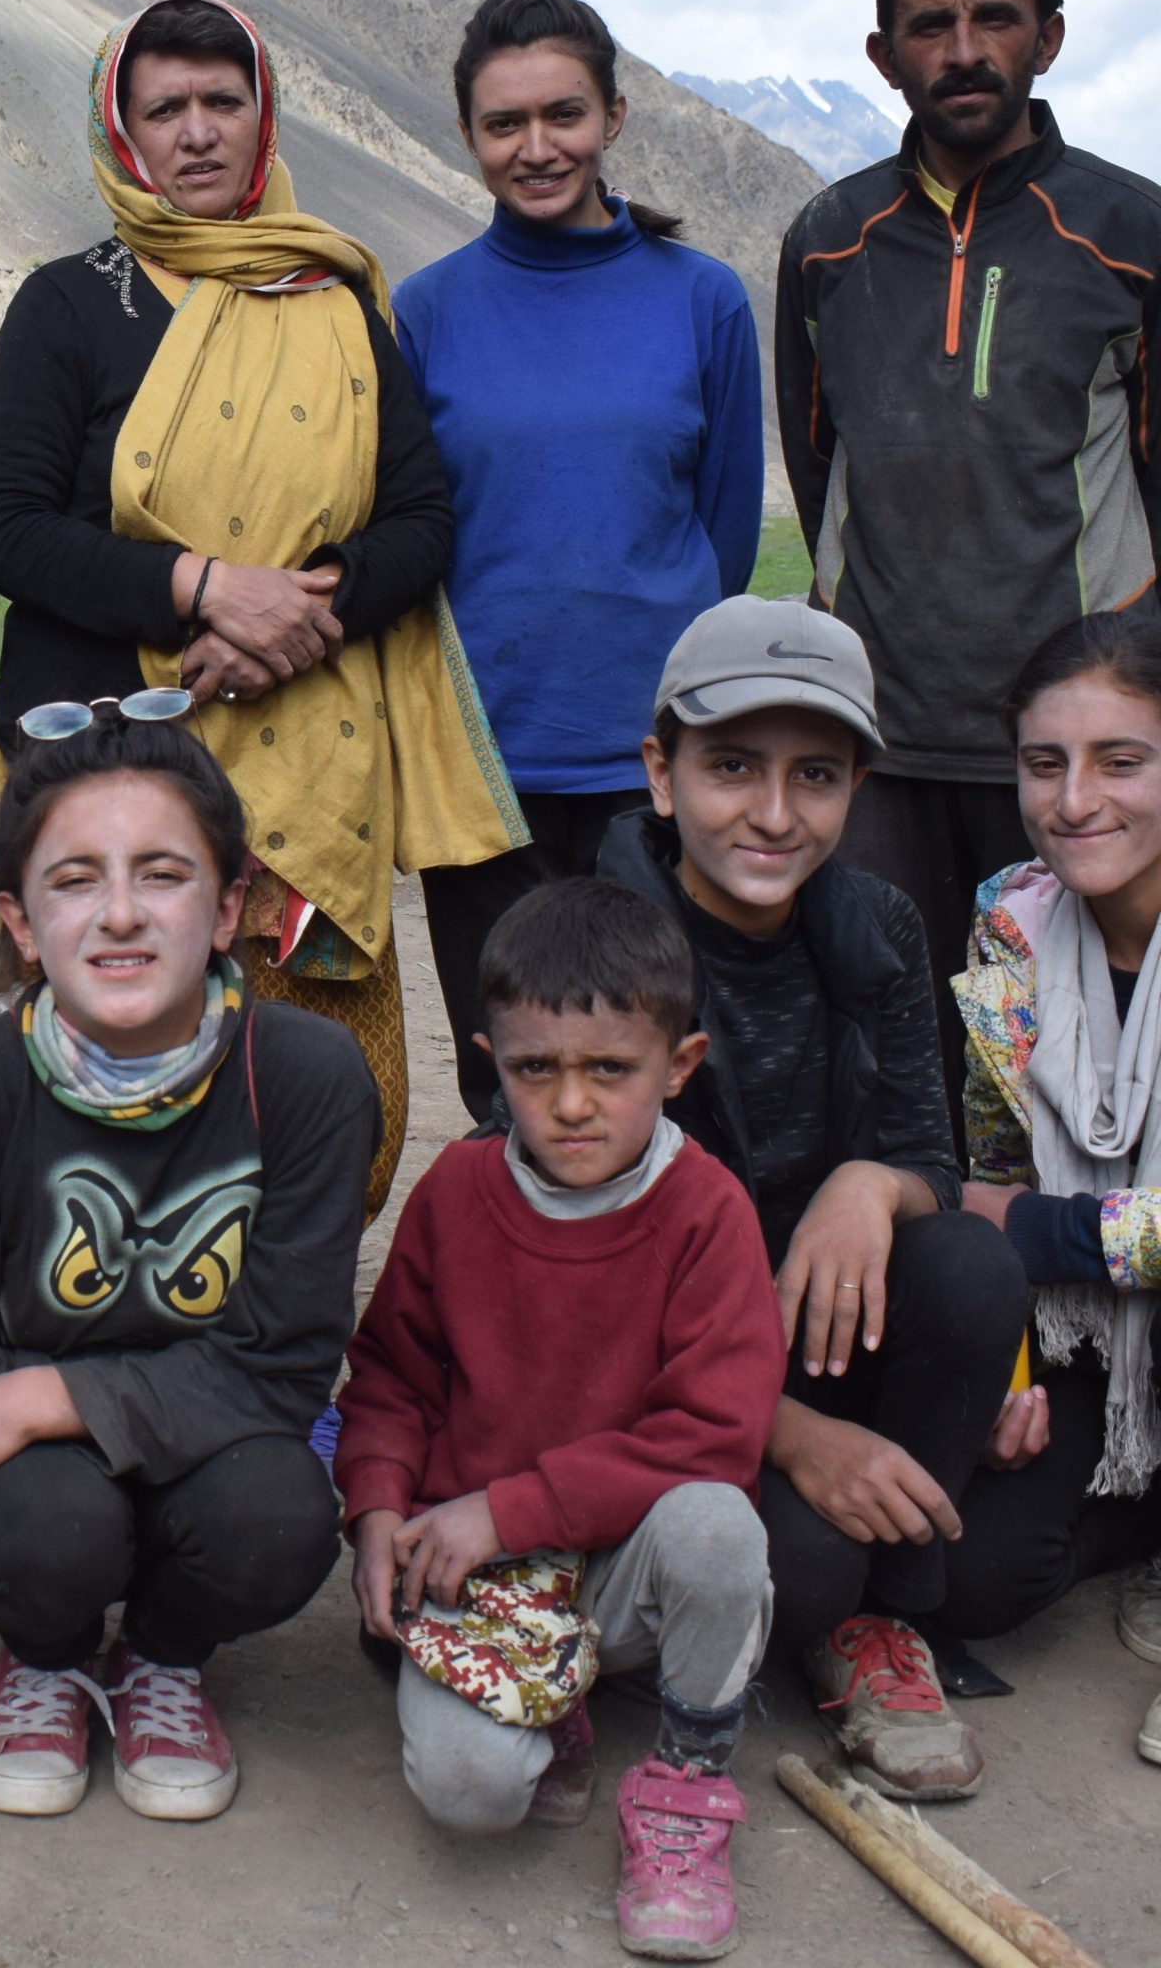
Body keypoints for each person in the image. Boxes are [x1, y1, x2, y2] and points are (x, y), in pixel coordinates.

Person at [0, 0, 520, 1216]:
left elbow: (419, 519)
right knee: (110, 1091)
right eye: (166, 108)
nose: (199, 132)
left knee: (329, 1105)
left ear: (263, 119)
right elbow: (6, 527)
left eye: (225, 102)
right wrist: (207, 590)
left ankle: (285, 1366)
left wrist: (297, 614)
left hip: (310, 754)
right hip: (109, 751)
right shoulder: (67, 304)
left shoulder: (334, 302)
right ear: (124, 133)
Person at [0, 703, 376, 1821]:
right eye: (76, 879)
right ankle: (42, 1657)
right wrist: (37, 1425)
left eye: (164, 873)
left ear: (231, 904)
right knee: (58, 1530)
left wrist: (49, 1392)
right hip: (17, 1487)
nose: (123, 914)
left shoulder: (306, 1076)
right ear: (19, 921)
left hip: (210, 1450)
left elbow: (285, 1372)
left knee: (282, 1515)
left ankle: (162, 1654)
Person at [591, 600, 1028, 1799]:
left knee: (968, 1265)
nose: (774, 814)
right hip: (657, 1377)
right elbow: (580, 1265)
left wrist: (865, 1181)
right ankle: (798, 1587)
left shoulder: (878, 925)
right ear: (660, 771)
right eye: (732, 766)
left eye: (815, 776)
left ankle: (892, 1625)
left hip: (819, 1322)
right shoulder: (593, 950)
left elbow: (931, 1164)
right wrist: (789, 1431)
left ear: (855, 787)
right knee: (808, 1557)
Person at [338, 879, 783, 1963]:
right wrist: (376, 1512)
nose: (572, 1103)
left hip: (623, 1558)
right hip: (476, 1573)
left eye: (609, 1070)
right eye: (537, 1069)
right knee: (470, 1794)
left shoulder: (707, 1208)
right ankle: (556, 1712)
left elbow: (714, 1434)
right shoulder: (454, 1190)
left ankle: (683, 1785)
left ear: (677, 1067)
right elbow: (389, 1375)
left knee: (720, 1526)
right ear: (492, 1061)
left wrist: (513, 1506)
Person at [775, 0, 1161, 1119]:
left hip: (1073, 751)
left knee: (1088, 1063)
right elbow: (817, 466)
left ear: (1047, 37)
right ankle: (934, 1303)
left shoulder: (1131, 232)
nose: (962, 49)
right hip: (881, 743)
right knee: (905, 1060)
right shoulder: (828, 240)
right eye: (928, 24)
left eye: (993, 17)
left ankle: (1081, 1304)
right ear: (882, 55)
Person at [398, 0, 763, 1124]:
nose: (536, 146)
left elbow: (726, 528)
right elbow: (416, 523)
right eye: (504, 124)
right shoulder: (424, 309)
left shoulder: (702, 300)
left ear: (613, 112)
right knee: (510, 1081)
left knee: (650, 1067)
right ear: (467, 135)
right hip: (480, 772)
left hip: (650, 765)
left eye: (564, 113)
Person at [940, 613, 1161, 1764]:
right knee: (974, 1576)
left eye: (1120, 759)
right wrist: (1006, 1369)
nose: (1074, 800)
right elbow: (993, 1164)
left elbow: (1014, 1217)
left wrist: (1044, 1233)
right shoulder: (1010, 920)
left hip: (1100, 1276)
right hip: (1095, 1337)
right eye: (1043, 763)